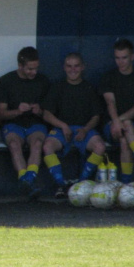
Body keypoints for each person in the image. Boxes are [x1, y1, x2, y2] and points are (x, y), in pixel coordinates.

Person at [42, 53, 106, 197]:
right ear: (64, 68)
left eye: (76, 66)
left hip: (84, 130)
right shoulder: (57, 87)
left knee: (100, 147)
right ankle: (60, 185)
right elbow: (46, 114)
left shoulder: (89, 88)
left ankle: (81, 185)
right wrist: (63, 125)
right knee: (47, 146)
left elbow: (96, 116)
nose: (73, 69)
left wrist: (86, 129)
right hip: (61, 129)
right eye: (69, 66)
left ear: (82, 67)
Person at [99, 38, 134, 184]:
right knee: (127, 126)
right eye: (117, 58)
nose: (121, 62)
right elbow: (110, 102)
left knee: (126, 137)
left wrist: (120, 121)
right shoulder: (108, 77)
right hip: (111, 126)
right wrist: (116, 122)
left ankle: (125, 184)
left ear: (132, 57)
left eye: (124, 57)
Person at [0, 47, 50, 198]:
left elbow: (50, 113)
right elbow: (1, 113)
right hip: (13, 124)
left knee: (37, 143)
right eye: (30, 69)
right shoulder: (6, 81)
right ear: (20, 66)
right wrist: (18, 111)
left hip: (35, 123)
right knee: (14, 144)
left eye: (36, 68)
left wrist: (39, 110)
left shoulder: (43, 81)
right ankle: (25, 180)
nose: (34, 72)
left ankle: (28, 180)